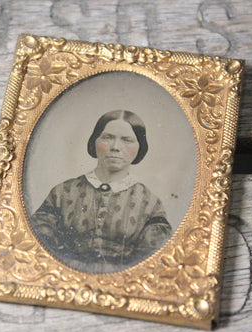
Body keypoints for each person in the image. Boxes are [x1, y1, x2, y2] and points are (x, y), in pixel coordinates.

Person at [30, 110, 171, 273]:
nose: (116, 147)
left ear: (139, 147)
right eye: (108, 137)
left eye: (127, 140)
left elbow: (153, 263)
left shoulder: (149, 204)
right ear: (94, 142)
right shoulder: (63, 193)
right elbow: (38, 245)